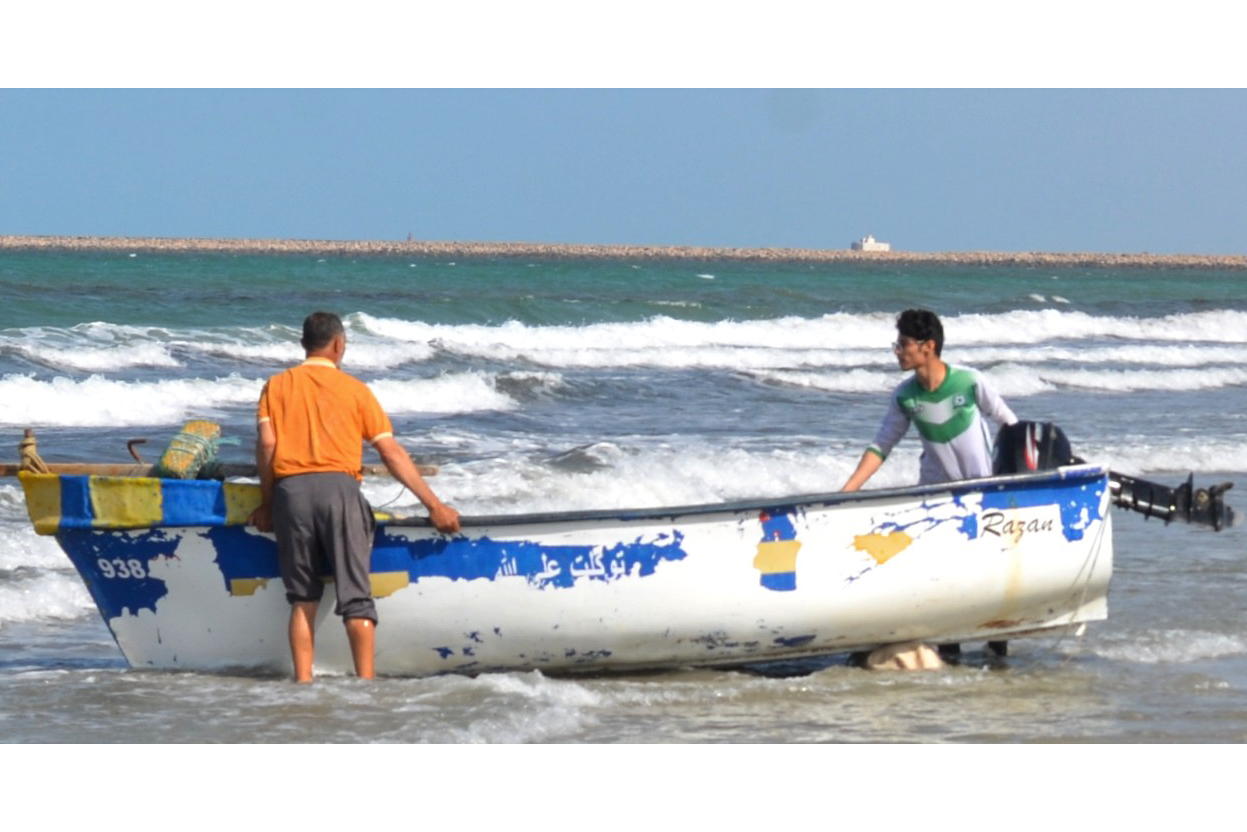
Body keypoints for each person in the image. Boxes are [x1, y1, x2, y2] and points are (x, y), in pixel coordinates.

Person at [248, 311, 461, 682]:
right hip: (339, 492)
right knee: (356, 598)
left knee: (302, 600)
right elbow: (390, 452)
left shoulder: (276, 386)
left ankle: (303, 684)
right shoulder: (356, 390)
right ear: (338, 344)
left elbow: (267, 446)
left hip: (290, 493)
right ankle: (366, 685)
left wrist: (267, 504)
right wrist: (434, 504)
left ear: (303, 345)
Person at [841, 308, 1018, 492]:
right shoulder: (904, 396)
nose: (897, 351)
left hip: (981, 486)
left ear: (928, 346)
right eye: (897, 345)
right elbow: (881, 446)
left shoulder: (969, 381)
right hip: (934, 494)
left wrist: (1014, 477)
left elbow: (1010, 424)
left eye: (903, 344)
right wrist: (847, 492)